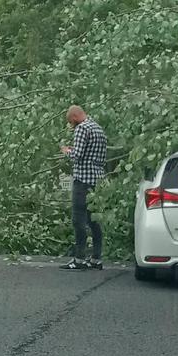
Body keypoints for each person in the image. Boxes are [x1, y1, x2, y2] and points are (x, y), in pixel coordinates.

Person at [59, 105, 106, 270]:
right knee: (94, 220)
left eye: (71, 122)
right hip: (97, 180)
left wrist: (66, 150)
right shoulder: (98, 128)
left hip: (83, 180)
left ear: (74, 118)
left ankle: (79, 258)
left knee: (78, 220)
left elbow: (77, 155)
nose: (72, 126)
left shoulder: (81, 129)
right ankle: (96, 258)